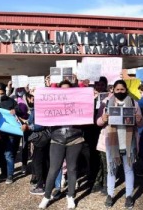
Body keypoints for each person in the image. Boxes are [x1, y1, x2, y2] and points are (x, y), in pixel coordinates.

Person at [97, 79, 143, 208]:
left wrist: (139, 120)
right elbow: (98, 122)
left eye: (122, 89)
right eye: (117, 90)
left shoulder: (134, 103)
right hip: (112, 141)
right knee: (112, 169)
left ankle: (129, 195)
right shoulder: (106, 103)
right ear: (113, 90)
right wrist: (103, 119)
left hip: (128, 142)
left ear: (126, 90)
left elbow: (141, 123)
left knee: (128, 169)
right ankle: (110, 194)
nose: (119, 92)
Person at [38, 80, 84, 209]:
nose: (65, 92)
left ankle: (70, 196)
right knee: (53, 169)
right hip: (57, 139)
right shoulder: (53, 103)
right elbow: (43, 106)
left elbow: (85, 102)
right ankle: (46, 196)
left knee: (72, 169)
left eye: (68, 89)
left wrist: (81, 84)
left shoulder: (78, 101)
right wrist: (50, 86)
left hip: (75, 138)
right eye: (62, 89)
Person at [0, 83, 19, 184]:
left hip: (9, 132)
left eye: (2, 93)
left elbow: (19, 109)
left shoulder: (11, 101)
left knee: (9, 154)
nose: (0, 95)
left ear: (5, 92)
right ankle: (3, 172)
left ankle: (10, 175)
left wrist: (15, 110)